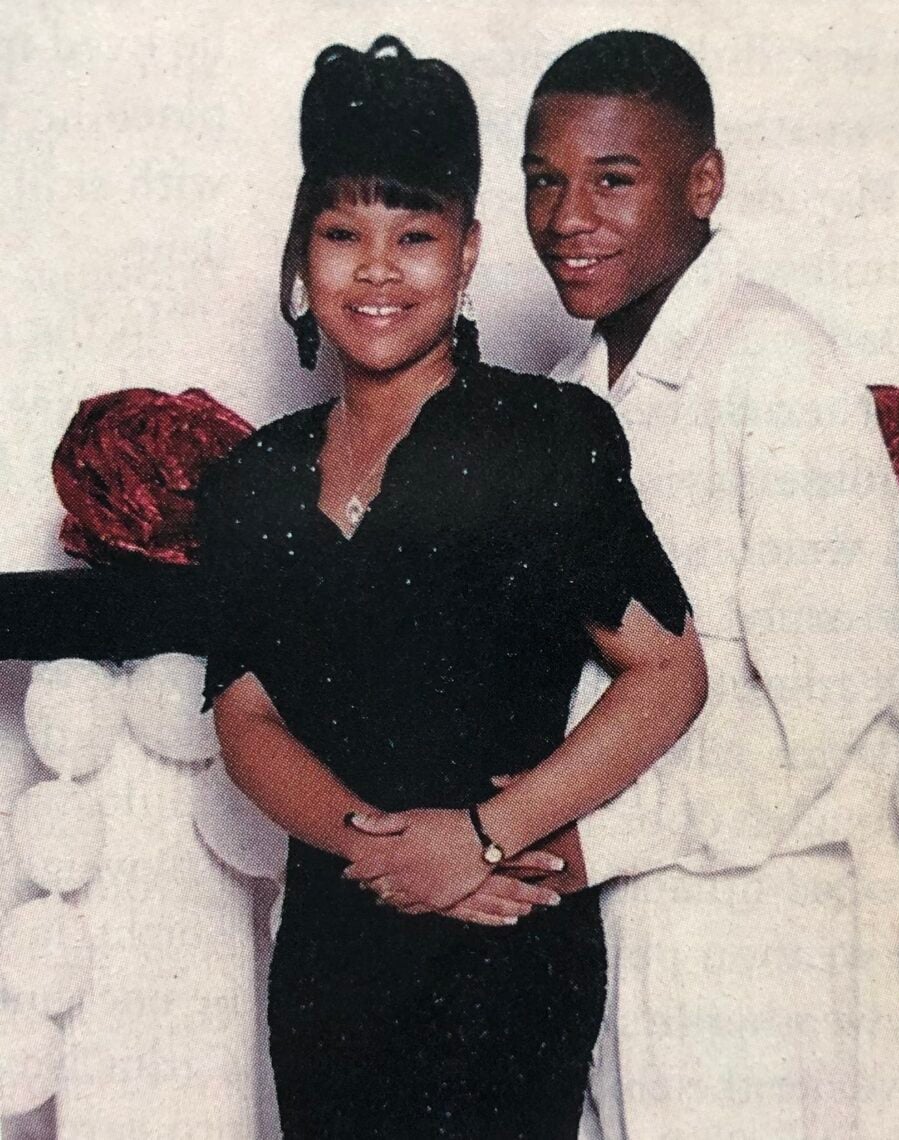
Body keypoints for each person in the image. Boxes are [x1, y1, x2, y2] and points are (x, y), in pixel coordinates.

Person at [195, 36, 707, 1140]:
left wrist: (479, 836)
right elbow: (245, 711)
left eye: (414, 236)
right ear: (302, 253)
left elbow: (667, 672)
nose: (377, 271)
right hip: (336, 949)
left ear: (469, 251)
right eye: (342, 236)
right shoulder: (252, 481)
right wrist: (383, 852)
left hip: (503, 952)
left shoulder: (540, 438)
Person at [519, 31, 899, 1140]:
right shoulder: (569, 391)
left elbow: (830, 695)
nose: (566, 218)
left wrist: (607, 838)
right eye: (543, 179)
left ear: (705, 183)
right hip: (599, 908)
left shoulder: (775, 365)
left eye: (612, 178)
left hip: (740, 915)